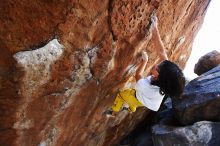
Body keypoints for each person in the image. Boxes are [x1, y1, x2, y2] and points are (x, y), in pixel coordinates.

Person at [105, 13, 185, 117]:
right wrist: (154, 27)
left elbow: (138, 75)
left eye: (158, 68)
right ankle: (131, 109)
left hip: (137, 96)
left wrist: (145, 61)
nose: (156, 64)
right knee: (135, 103)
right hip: (143, 101)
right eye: (161, 64)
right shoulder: (167, 76)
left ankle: (114, 112)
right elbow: (161, 52)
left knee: (121, 95)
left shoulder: (147, 87)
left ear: (158, 77)